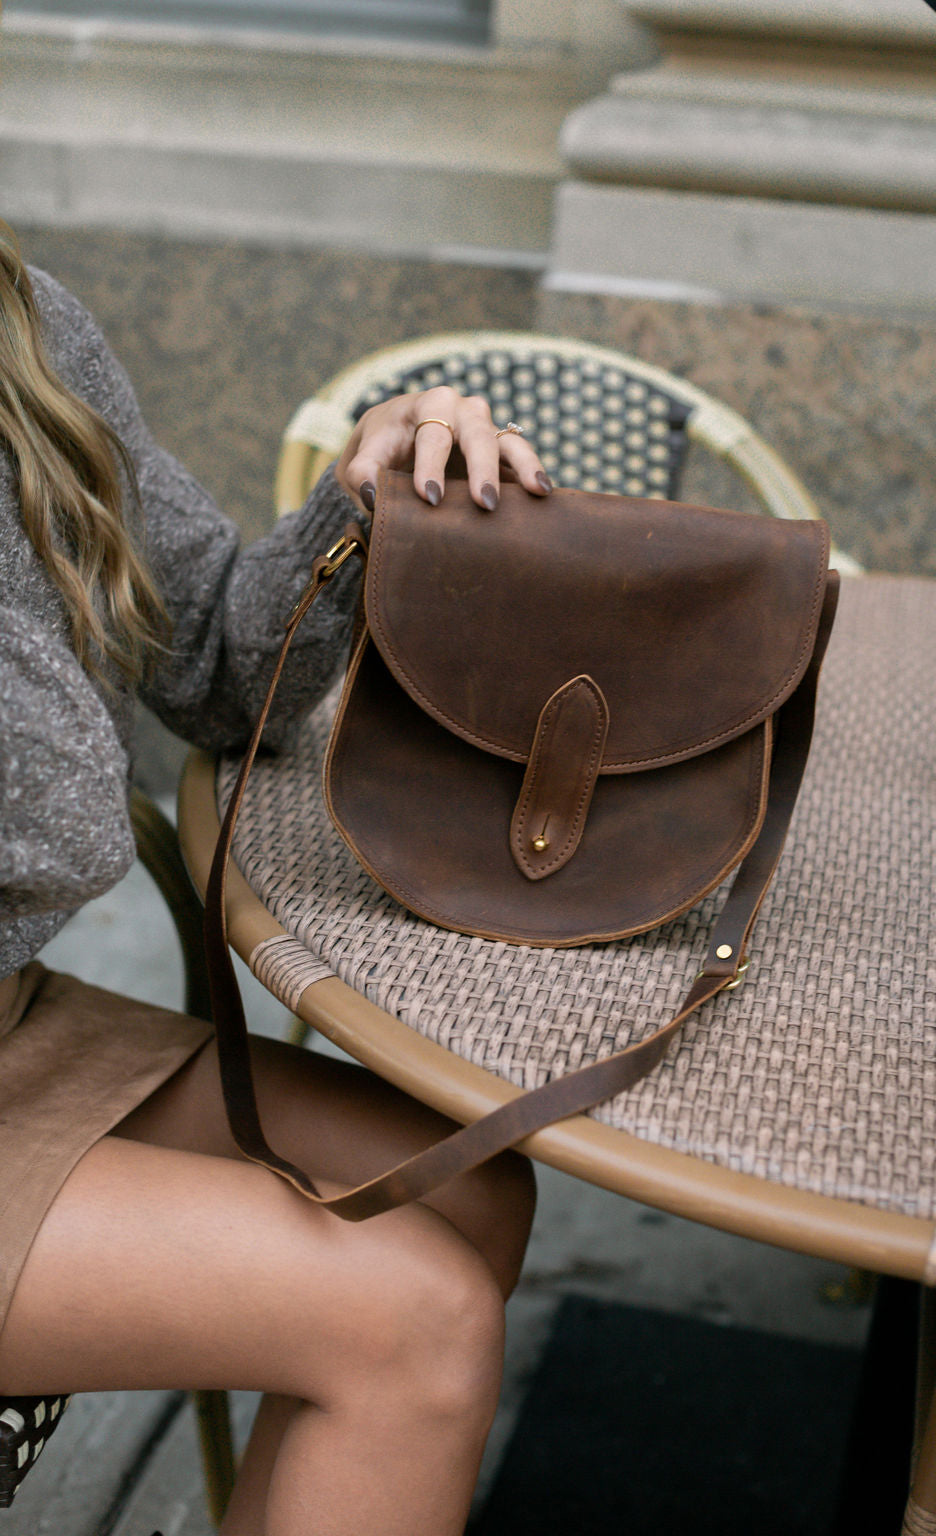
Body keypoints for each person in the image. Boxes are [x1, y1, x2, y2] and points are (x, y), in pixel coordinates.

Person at [0, 224, 551, 1536]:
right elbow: (56, 814)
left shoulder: (25, 328)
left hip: (14, 1024)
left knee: (466, 1187)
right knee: (411, 1323)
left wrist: (362, 506)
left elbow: (208, 664)